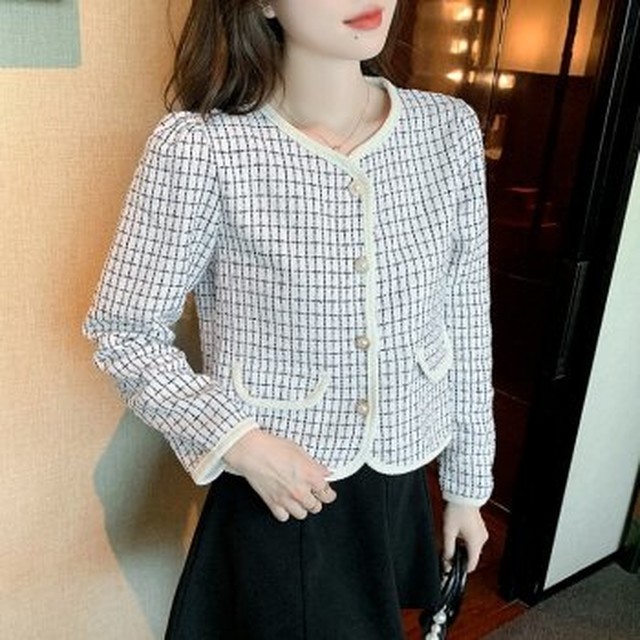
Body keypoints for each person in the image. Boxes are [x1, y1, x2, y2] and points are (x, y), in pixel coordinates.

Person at [84, 0, 495, 637]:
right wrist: (239, 442)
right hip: (285, 491)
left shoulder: (447, 131)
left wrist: (468, 484)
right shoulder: (202, 148)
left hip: (400, 478)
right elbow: (124, 330)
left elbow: (465, 314)